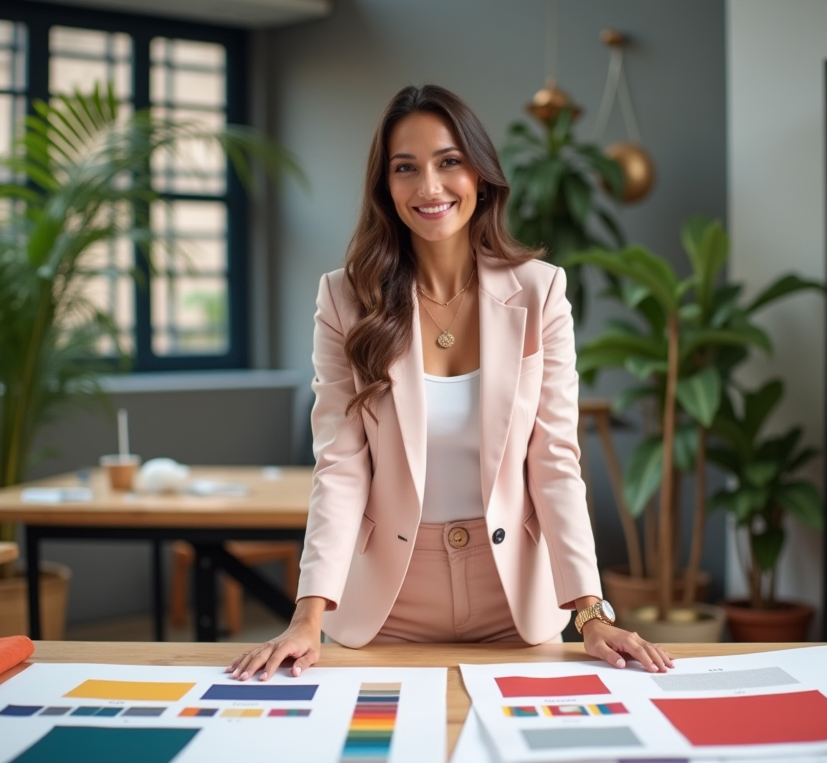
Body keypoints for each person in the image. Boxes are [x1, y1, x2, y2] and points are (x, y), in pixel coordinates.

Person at [228, 84, 673, 682]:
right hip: (389, 604)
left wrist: (591, 613)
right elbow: (340, 465)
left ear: (480, 174)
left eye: (449, 162)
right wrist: (307, 617)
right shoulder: (344, 298)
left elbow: (555, 461)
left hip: (512, 601)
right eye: (405, 168)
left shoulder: (540, 291)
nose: (429, 188)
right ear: (385, 187)